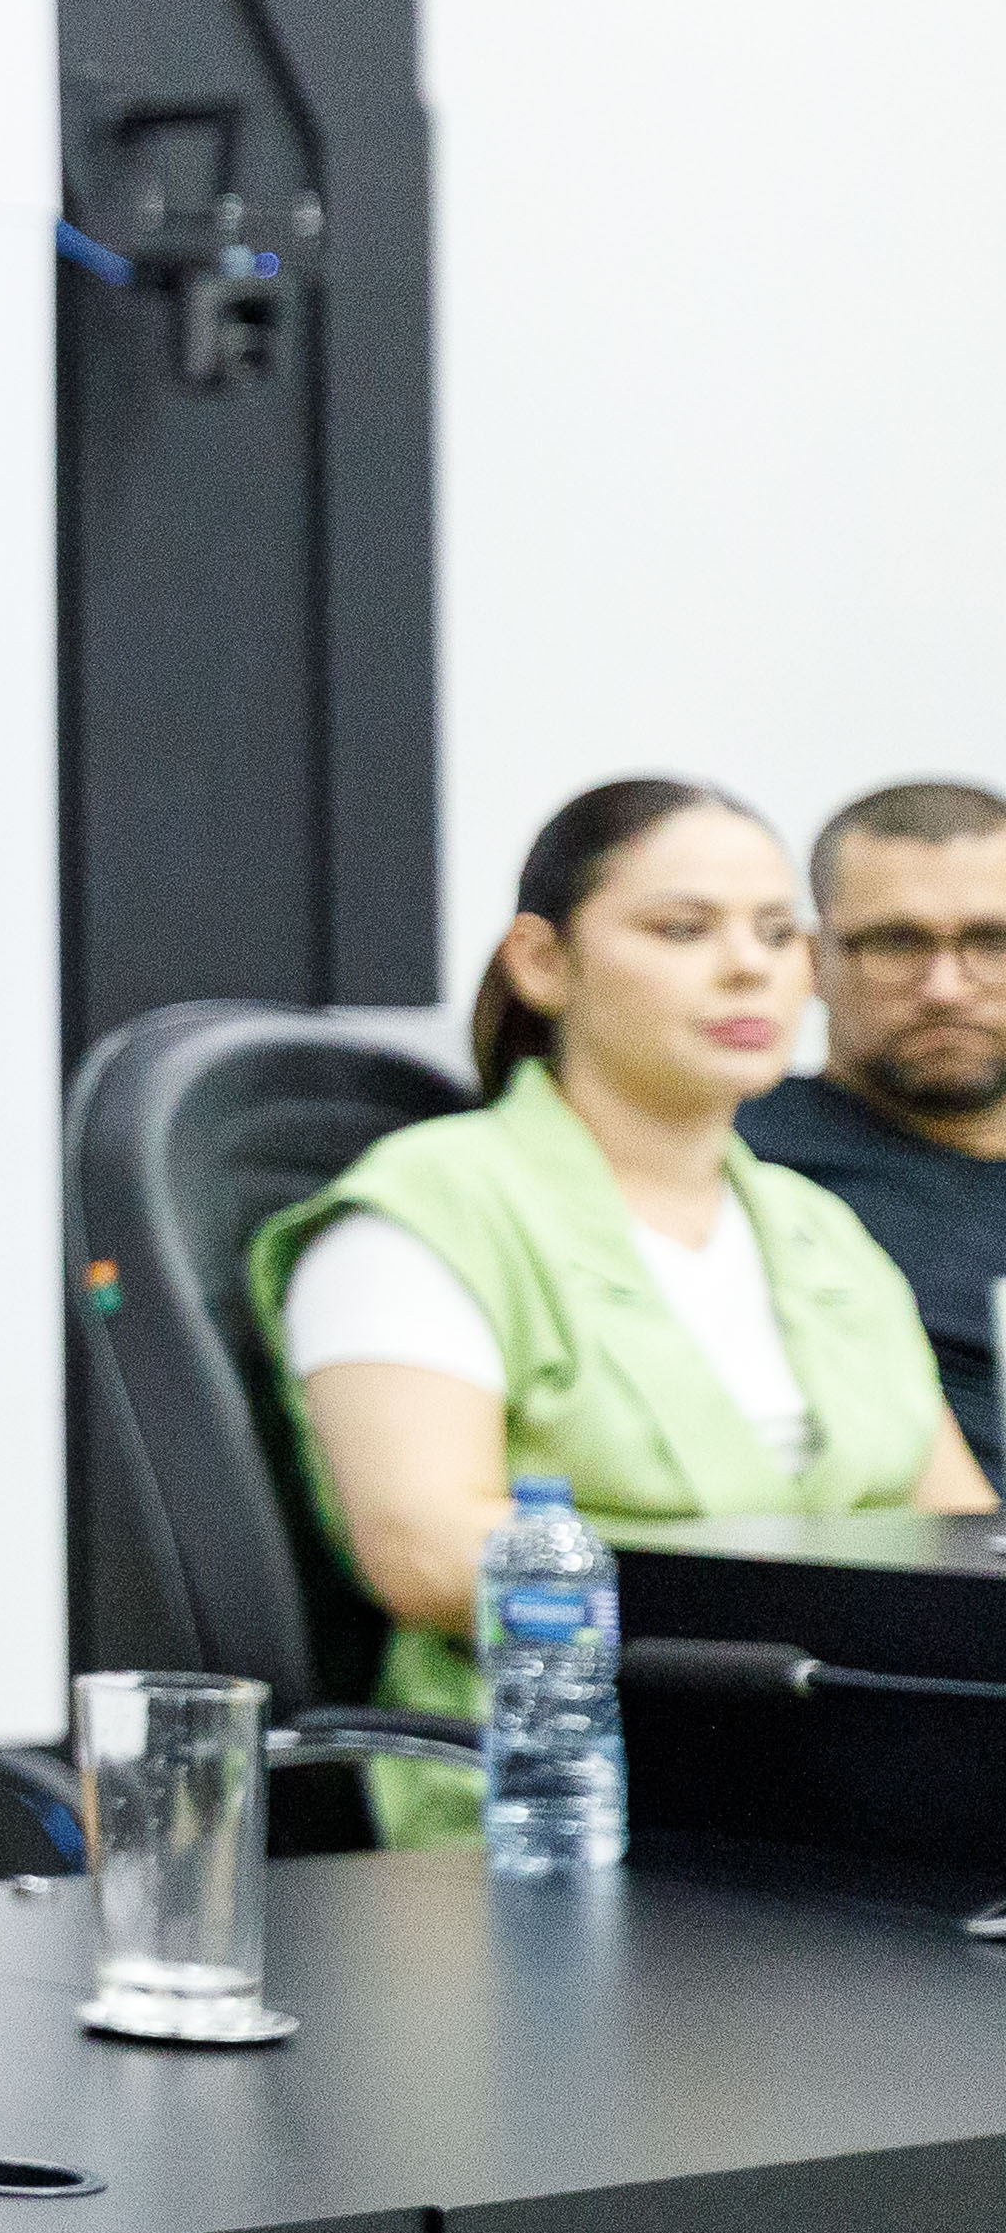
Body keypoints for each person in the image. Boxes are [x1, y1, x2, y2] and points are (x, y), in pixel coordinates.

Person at [263, 781, 989, 1822]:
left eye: (776, 932)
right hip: (562, 1804)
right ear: (541, 961)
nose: (748, 965)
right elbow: (424, 1551)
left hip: (855, 1784)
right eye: (683, 928)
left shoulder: (817, 1227)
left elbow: (958, 1536)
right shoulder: (430, 1204)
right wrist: (811, 1612)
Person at [741, 777, 1006, 1461]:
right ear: (812, 961)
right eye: (897, 943)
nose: (946, 988)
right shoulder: (728, 1160)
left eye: (992, 941)